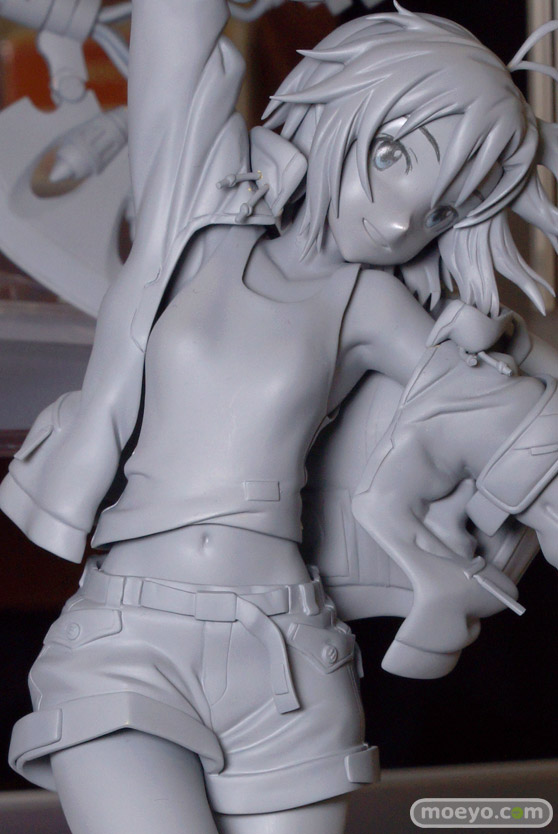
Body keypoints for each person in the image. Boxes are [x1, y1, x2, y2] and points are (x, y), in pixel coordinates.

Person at [1, 2, 557, 833]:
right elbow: (175, 35)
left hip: (291, 661)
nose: (399, 221)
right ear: (339, 111)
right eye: (392, 155)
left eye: (441, 211)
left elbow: (498, 412)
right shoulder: (197, 220)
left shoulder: (372, 304)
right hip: (128, 637)